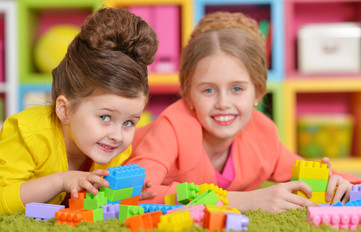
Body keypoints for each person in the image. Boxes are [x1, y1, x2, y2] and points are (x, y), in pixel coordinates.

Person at [124, 11, 361, 213]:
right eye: (208, 90)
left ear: (258, 92)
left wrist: (339, 182)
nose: (223, 103)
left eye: (237, 88)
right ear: (188, 94)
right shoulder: (171, 128)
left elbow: (311, 174)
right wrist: (244, 200)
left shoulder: (262, 134)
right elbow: (134, 193)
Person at [0, 7, 158, 214]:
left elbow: (94, 204)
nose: (117, 136)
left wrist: (123, 196)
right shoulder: (27, 133)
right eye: (105, 117)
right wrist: (60, 181)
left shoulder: (114, 149)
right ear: (64, 110)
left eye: (129, 122)